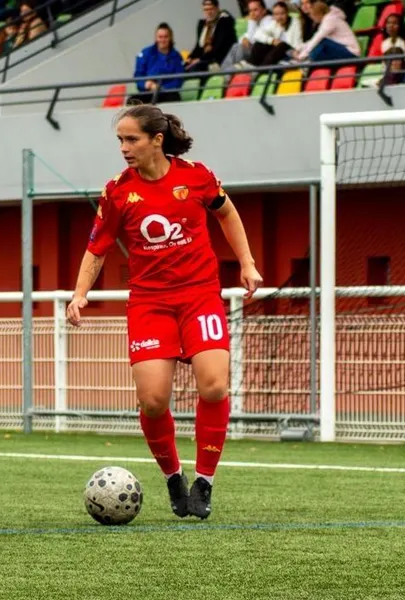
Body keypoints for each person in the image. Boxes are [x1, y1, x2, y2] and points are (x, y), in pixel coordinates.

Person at [66, 105, 262, 520]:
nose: (124, 148)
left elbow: (226, 212)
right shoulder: (118, 190)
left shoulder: (196, 176)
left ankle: (204, 482)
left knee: (213, 386)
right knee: (153, 400)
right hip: (150, 303)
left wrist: (246, 262)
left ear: (157, 139)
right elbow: (97, 246)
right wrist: (80, 293)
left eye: (131, 139)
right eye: (119, 140)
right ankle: (174, 476)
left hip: (200, 296)